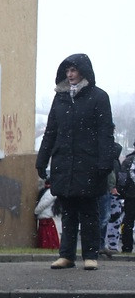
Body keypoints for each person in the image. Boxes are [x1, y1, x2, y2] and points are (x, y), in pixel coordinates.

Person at [36, 53, 114, 271]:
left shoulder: (99, 97)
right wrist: (42, 160)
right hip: (64, 164)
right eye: (67, 70)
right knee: (68, 212)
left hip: (89, 165)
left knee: (89, 212)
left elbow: (105, 133)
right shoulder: (60, 98)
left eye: (74, 70)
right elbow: (51, 132)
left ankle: (90, 255)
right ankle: (66, 255)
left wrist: (105, 162)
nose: (70, 74)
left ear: (83, 71)